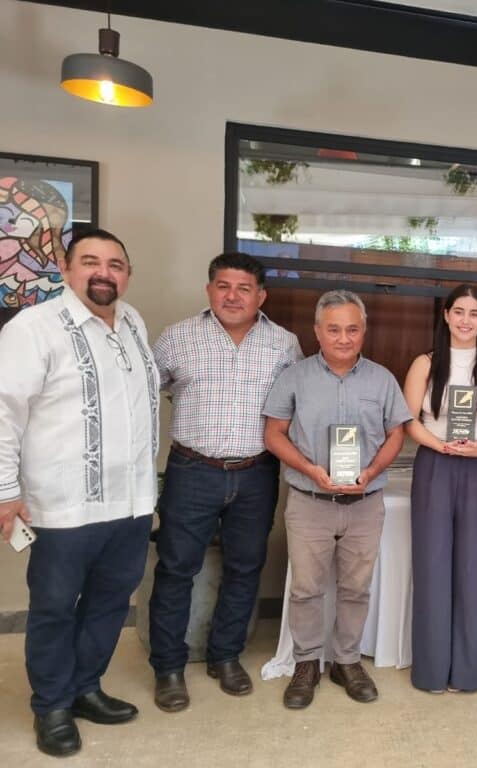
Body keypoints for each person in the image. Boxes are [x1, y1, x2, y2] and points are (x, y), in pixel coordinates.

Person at [0, 229, 159, 757]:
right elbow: (3, 412)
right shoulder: (34, 328)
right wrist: (5, 490)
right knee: (54, 607)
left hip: (131, 502)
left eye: (115, 264)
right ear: (66, 270)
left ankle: (85, 688)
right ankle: (51, 706)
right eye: (90, 262)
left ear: (127, 275)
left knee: (111, 602)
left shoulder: (133, 321)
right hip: (62, 504)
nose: (103, 273)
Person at [147, 252, 302, 712]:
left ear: (261, 296)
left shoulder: (284, 344)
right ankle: (168, 667)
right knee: (176, 569)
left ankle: (225, 656)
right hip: (192, 471)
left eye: (244, 288)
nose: (233, 296)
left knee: (245, 567)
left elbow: (297, 406)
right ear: (209, 289)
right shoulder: (177, 337)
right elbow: (142, 395)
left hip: (256, 473)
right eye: (223, 286)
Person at [263, 289, 411, 709]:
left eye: (352, 329)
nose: (343, 338)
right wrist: (310, 469)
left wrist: (372, 472)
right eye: (333, 330)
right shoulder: (294, 377)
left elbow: (396, 433)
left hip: (365, 503)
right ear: (317, 331)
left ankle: (347, 661)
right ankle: (306, 663)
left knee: (356, 588)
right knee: (306, 589)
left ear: (364, 331)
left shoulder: (382, 379)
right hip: (309, 501)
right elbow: (273, 434)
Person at [403, 284, 477, 693]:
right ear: (446, 315)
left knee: (473, 568)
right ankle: (431, 672)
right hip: (435, 464)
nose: (466, 320)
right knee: (431, 566)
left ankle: (467, 674)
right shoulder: (425, 364)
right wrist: (440, 445)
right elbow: (408, 420)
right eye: (459, 311)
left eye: (474, 313)